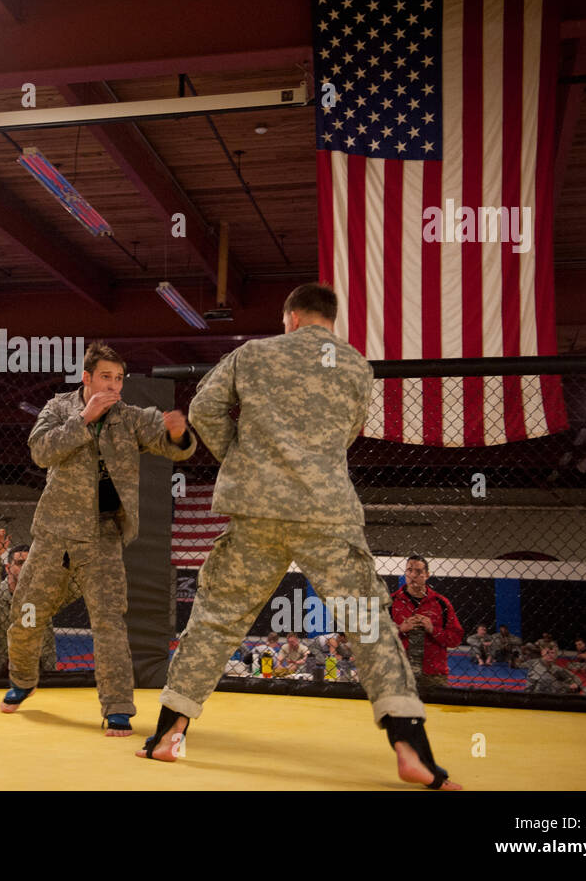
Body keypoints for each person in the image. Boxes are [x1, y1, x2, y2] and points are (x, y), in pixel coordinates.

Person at [137, 283, 460, 789]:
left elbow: (202, 412)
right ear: (332, 320)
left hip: (256, 511)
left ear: (289, 316)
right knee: (368, 624)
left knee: (217, 620)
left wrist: (244, 462)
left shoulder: (253, 353)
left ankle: (168, 733)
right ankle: (411, 747)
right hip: (326, 512)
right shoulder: (356, 365)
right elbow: (350, 431)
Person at [3, 341, 197, 735]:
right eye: (105, 377)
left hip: (102, 536)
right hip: (55, 535)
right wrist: (83, 420)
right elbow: (40, 451)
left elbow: (174, 448)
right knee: (26, 616)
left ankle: (118, 708)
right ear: (86, 378)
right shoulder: (59, 408)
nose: (113, 385)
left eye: (119, 379)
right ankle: (22, 681)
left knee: (109, 623)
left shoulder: (131, 418)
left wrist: (179, 434)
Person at [0, 529, 80, 673]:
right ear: (8, 567)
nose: (25, 568)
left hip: (39, 674)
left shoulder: (41, 596)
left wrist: (68, 559)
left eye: (30, 564)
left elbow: (73, 589)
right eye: (20, 563)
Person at [390, 555, 463, 691]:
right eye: (409, 570)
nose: (412, 575)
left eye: (418, 572)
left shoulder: (441, 603)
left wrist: (432, 629)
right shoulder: (390, 602)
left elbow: (456, 639)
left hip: (433, 674)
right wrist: (400, 629)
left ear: (427, 575)